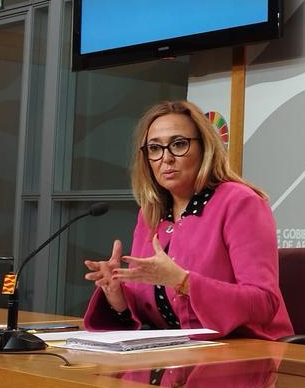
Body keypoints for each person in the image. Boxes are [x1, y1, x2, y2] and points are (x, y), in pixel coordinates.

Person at [83, 100, 293, 339]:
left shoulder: (240, 203)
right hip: (177, 356)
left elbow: (264, 303)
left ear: (205, 148)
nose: (166, 158)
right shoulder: (151, 212)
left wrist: (183, 281)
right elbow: (151, 309)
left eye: (179, 144)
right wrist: (116, 293)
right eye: (154, 148)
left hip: (244, 353)